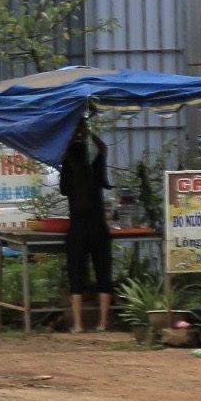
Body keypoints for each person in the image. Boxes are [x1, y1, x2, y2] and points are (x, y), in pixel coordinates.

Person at [60, 126, 112, 333]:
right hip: (99, 230)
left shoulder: (70, 175)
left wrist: (72, 134)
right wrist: (87, 131)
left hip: (78, 231)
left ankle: (78, 324)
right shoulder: (95, 173)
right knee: (103, 275)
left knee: (76, 276)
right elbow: (103, 148)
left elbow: (64, 188)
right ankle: (102, 322)